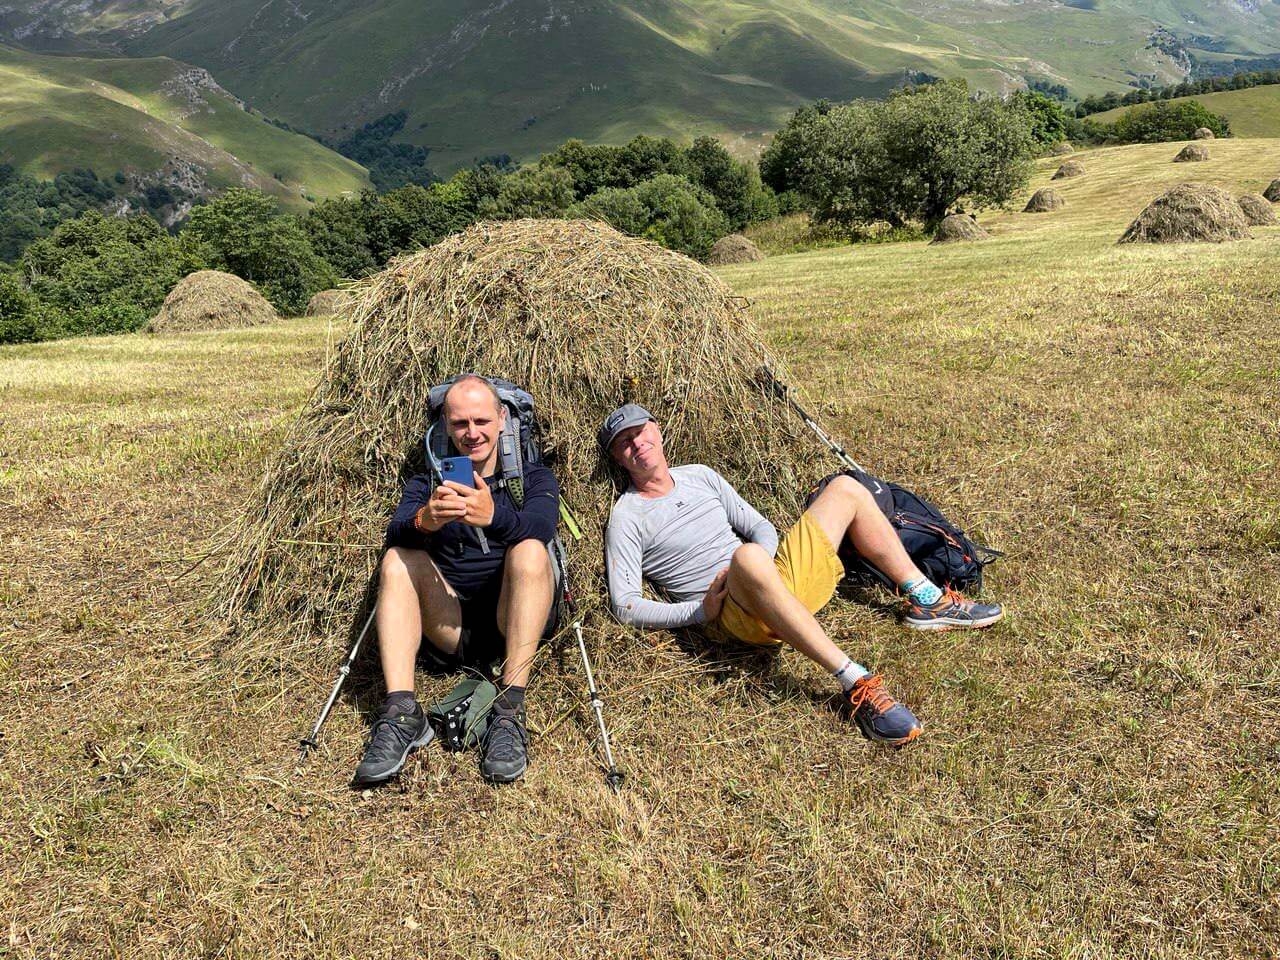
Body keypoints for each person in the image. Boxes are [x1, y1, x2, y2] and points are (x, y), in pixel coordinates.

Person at [600, 404, 1004, 747]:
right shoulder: (628, 516)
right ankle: (856, 684)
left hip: (772, 580)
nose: (637, 443)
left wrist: (767, 574)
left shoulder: (701, 476)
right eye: (625, 442)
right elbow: (625, 605)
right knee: (746, 558)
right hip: (734, 618)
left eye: (641, 431)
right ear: (619, 458)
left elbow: (760, 528)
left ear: (658, 430)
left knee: (845, 488)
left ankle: (927, 599)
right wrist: (699, 612)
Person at [353, 375, 560, 786]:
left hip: (513, 621)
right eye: (460, 423)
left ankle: (509, 710)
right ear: (445, 425)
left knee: (531, 550)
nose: (472, 433)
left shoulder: (532, 478)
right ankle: (402, 713)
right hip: (452, 626)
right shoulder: (428, 482)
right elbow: (396, 532)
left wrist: (493, 517)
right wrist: (424, 521)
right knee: (397, 558)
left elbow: (542, 524)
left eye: (481, 420)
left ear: (503, 419)